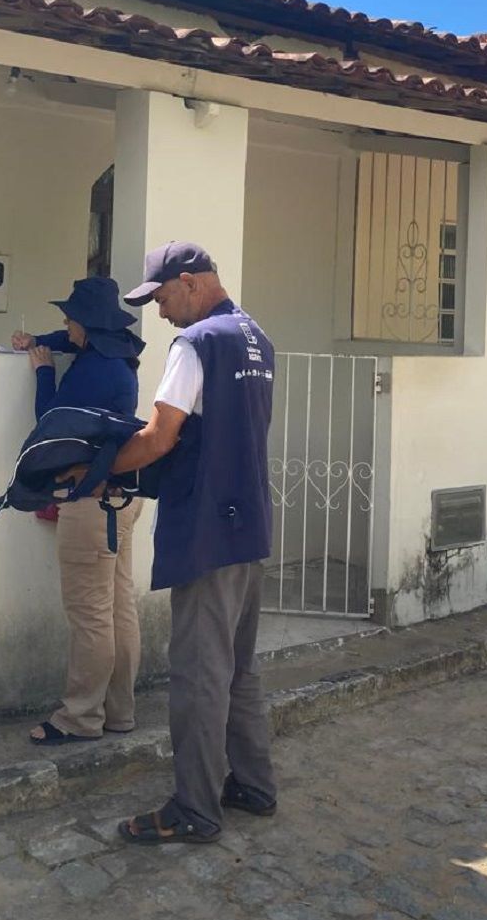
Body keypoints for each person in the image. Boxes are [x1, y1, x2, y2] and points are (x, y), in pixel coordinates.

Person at [109, 241, 278, 844]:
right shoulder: (257, 338)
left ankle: (195, 809)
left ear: (188, 282)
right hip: (249, 523)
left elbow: (159, 437)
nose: (158, 312)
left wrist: (104, 470)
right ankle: (253, 785)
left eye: (159, 297)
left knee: (200, 676)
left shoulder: (197, 343)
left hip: (208, 530)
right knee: (239, 670)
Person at [10, 276, 145, 745]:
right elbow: (68, 339)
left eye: (69, 319)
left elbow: (52, 424)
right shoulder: (118, 355)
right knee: (119, 608)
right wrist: (38, 341)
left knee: (90, 614)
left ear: (86, 326)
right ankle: (118, 712)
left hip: (90, 502)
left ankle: (80, 718)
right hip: (124, 497)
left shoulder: (89, 372)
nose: (64, 324)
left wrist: (42, 370)